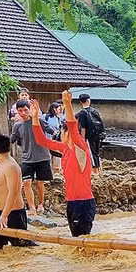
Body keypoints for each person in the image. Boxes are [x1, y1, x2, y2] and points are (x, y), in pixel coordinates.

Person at [32, 92, 96, 237]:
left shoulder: (81, 148)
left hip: (83, 202)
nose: (59, 135)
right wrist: (35, 118)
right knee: (77, 240)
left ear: (66, 134)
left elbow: (73, 128)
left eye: (61, 131)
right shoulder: (65, 149)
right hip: (72, 201)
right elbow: (42, 141)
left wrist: (67, 104)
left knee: (82, 240)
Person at [0, 133, 38, 250]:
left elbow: (14, 193)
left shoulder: (11, 167)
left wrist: (4, 215)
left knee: (23, 247)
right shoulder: (2, 163)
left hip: (13, 214)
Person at [11, 100, 54, 216]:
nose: (23, 113)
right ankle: (31, 208)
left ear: (30, 109)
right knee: (26, 182)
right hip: (27, 158)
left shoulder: (39, 121)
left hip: (42, 157)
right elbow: (12, 140)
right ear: (17, 111)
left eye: (25, 110)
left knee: (40, 183)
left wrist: (58, 135)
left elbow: (51, 130)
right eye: (20, 110)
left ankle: (40, 204)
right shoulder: (17, 126)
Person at [75, 93, 104, 172]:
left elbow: (83, 128)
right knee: (97, 152)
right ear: (88, 100)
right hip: (97, 135)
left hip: (89, 136)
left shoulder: (82, 113)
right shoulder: (95, 111)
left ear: (80, 102)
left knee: (92, 153)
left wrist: (82, 139)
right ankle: (98, 169)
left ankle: (95, 170)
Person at [42, 102, 64, 174]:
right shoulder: (45, 117)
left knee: (56, 156)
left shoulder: (58, 118)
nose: (60, 110)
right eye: (59, 109)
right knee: (47, 156)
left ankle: (56, 172)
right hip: (46, 140)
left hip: (55, 140)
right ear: (54, 109)